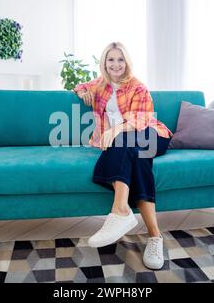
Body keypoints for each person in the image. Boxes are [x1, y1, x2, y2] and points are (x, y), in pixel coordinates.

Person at [73, 42, 173, 270]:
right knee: (137, 160)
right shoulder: (100, 84)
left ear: (126, 62)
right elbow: (80, 85)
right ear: (104, 63)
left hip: (152, 134)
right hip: (126, 145)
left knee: (126, 140)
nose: (116, 64)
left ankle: (119, 210)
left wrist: (115, 129)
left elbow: (141, 121)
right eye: (111, 60)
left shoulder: (137, 87)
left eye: (120, 60)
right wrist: (82, 91)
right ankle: (155, 236)